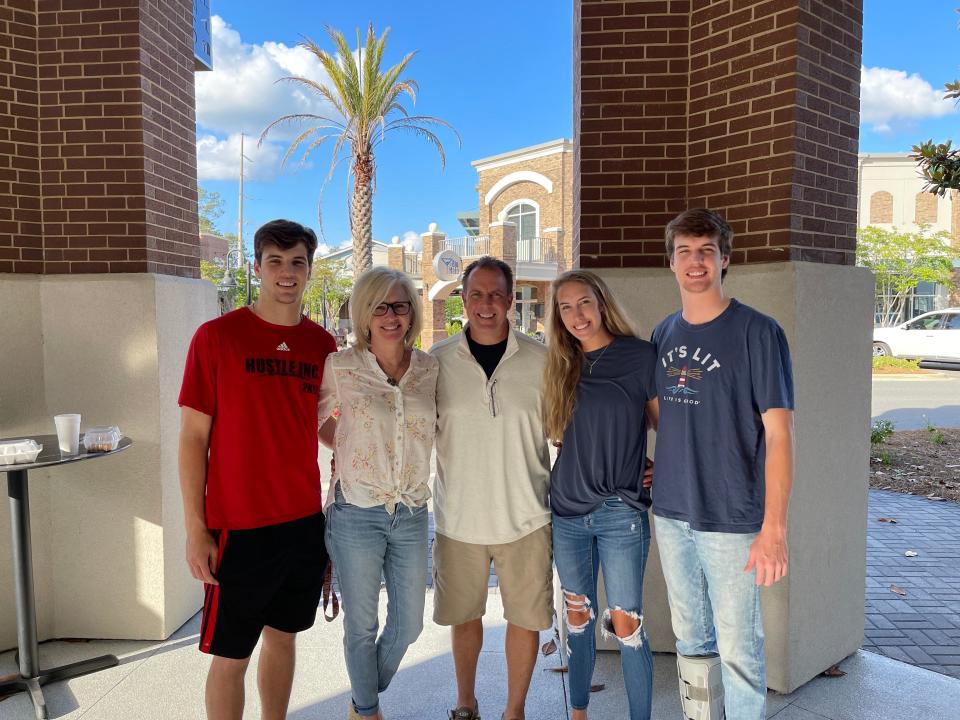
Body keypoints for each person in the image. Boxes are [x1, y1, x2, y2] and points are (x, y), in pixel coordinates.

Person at [178, 219, 337, 720]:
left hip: (301, 525)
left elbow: (321, 427)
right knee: (230, 657)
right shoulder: (216, 338)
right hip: (236, 527)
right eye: (276, 261)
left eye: (297, 263)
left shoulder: (322, 345)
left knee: (284, 640)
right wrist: (194, 528)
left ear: (309, 270)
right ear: (257, 267)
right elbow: (192, 438)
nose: (286, 273)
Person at [650, 209, 794, 720]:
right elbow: (662, 416)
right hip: (669, 513)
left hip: (731, 517)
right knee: (691, 639)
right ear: (671, 262)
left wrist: (773, 528)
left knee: (738, 652)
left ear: (724, 259)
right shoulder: (664, 333)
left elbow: (779, 436)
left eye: (706, 251)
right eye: (685, 252)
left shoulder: (758, 332)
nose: (695, 262)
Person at [429, 257, 553, 720]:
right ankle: (466, 702)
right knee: (465, 617)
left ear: (510, 298)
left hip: (527, 516)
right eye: (476, 294)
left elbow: (570, 429)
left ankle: (514, 710)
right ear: (463, 298)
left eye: (496, 294)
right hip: (459, 517)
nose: (486, 304)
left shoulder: (543, 360)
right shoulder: (436, 362)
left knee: (524, 620)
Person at [318, 267, 439, 720]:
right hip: (356, 513)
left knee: (409, 623)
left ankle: (363, 689)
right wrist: (349, 444)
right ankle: (366, 710)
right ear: (365, 314)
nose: (390, 316)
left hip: (410, 512)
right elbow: (314, 418)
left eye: (400, 305)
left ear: (411, 313)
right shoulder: (341, 366)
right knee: (361, 625)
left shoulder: (429, 367)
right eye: (380, 306)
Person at [543, 270, 657, 720]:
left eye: (584, 302)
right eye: (565, 307)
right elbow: (563, 438)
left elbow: (668, 424)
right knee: (577, 622)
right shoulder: (559, 364)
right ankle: (578, 713)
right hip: (567, 511)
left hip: (620, 511)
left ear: (601, 302)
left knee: (627, 626)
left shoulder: (640, 356)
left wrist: (659, 468)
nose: (576, 315)